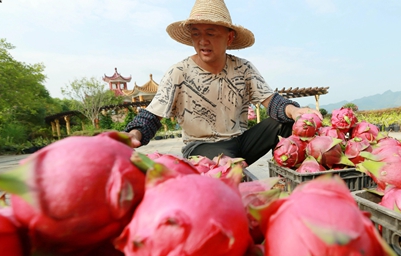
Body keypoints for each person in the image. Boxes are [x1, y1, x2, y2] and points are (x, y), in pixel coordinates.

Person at [124, 0, 321, 165]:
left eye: (210, 33)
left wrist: (294, 112)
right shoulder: (179, 73)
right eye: (196, 34)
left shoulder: (244, 68)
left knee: (287, 123)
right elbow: (152, 116)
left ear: (229, 37)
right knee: (227, 166)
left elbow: (272, 102)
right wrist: (135, 133)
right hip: (202, 147)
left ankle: (296, 175)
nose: (202, 41)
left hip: (241, 141)